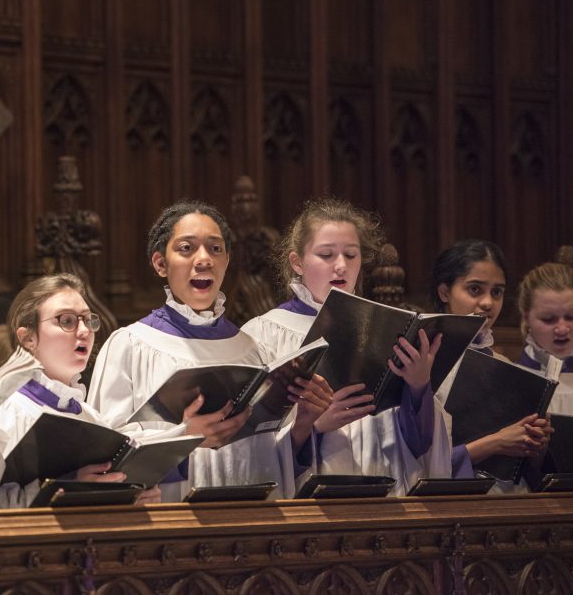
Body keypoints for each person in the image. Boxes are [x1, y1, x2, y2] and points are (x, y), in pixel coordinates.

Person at [87, 200, 332, 501]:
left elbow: (272, 458)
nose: (204, 259)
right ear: (160, 264)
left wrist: (304, 423)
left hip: (250, 523)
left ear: (227, 261)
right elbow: (106, 457)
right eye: (187, 248)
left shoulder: (253, 351)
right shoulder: (130, 345)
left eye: (215, 249)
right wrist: (185, 439)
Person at [241, 197, 448, 495]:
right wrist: (313, 426)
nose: (341, 266)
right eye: (326, 254)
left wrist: (418, 388)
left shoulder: (382, 327)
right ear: (297, 262)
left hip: (381, 492)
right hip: (308, 504)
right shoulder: (264, 335)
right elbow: (248, 449)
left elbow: (420, 445)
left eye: (351, 255)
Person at [0, 273, 165, 507]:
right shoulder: (4, 413)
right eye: (66, 320)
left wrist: (131, 498)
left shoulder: (91, 417)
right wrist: (69, 489)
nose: (84, 331)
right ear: (27, 338)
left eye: (88, 320)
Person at [431, 240, 552, 489]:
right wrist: (495, 443)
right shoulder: (422, 364)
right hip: (445, 505)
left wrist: (535, 444)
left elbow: (527, 469)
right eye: (475, 289)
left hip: (508, 504)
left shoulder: (505, 366)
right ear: (444, 292)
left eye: (496, 292)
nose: (488, 302)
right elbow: (410, 464)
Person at [516, 262, 573, 411]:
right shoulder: (509, 379)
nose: (562, 329)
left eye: (571, 317)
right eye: (548, 319)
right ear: (526, 318)